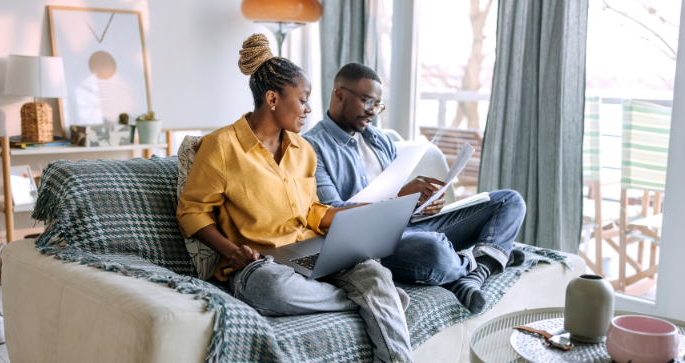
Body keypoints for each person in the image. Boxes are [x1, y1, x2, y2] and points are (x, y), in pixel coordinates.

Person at [176, 35, 414, 363]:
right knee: (272, 290)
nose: (310, 109)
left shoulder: (304, 150)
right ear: (272, 98)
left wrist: (353, 218)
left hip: (309, 250)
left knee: (374, 272)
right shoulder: (221, 146)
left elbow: (310, 210)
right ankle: (374, 300)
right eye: (303, 100)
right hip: (261, 264)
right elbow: (192, 212)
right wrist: (233, 253)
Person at [302, 62, 527, 314]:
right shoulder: (310, 148)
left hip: (410, 227)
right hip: (369, 244)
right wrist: (399, 198)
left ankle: (473, 273)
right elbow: (331, 215)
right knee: (433, 250)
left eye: (378, 105)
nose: (373, 112)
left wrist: (420, 204)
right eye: (367, 102)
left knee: (509, 200)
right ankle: (487, 259)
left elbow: (399, 200)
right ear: (339, 94)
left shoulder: (380, 139)